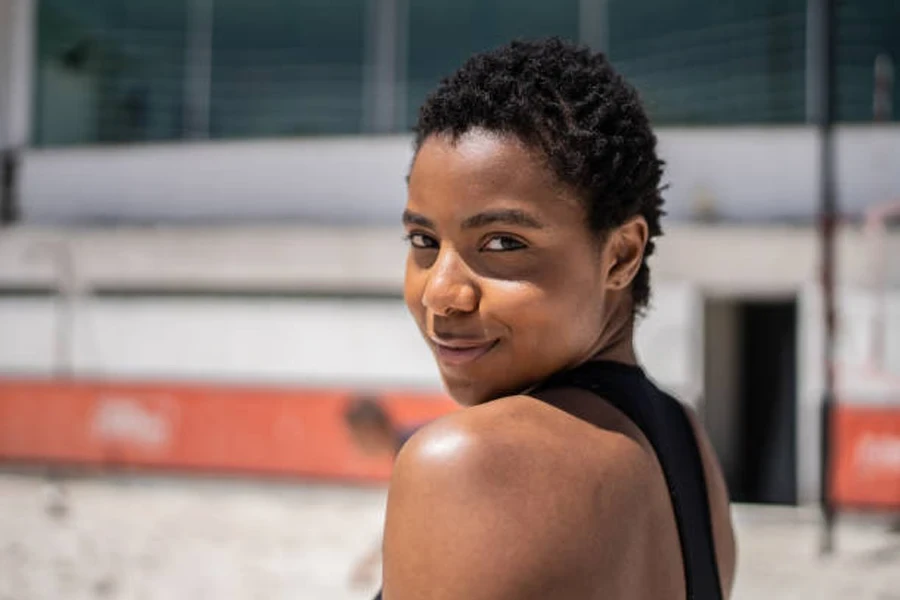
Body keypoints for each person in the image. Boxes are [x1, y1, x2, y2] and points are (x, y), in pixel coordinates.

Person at [376, 38, 737, 600]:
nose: (441, 294)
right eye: (423, 239)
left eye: (502, 242)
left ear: (620, 256)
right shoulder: (686, 443)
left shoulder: (464, 464)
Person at [343, 395, 422, 589]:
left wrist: (368, 562)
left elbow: (409, 520)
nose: (354, 443)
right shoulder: (410, 440)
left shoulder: (410, 449)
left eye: (355, 436)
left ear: (369, 430)